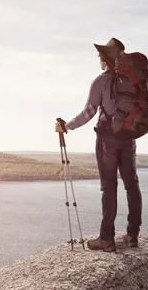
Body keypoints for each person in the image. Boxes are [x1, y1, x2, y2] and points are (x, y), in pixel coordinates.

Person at [55, 37, 142, 252]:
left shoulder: (101, 81)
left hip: (108, 139)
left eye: (100, 56)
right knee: (132, 184)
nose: (98, 59)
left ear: (105, 59)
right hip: (129, 138)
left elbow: (89, 112)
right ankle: (132, 235)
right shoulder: (133, 80)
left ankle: (107, 239)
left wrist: (67, 127)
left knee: (109, 187)